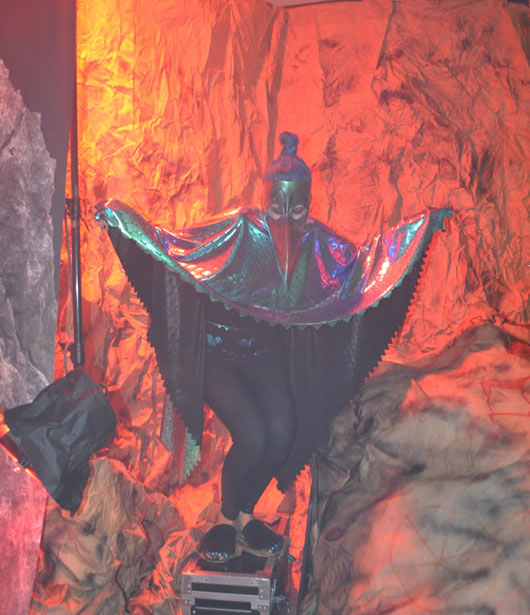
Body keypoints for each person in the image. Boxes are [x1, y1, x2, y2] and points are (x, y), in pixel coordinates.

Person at [97, 132, 451, 562]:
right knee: (254, 435)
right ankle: (226, 519)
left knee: (282, 432)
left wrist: (421, 227)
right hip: (217, 356)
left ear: (307, 206)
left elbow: (366, 266)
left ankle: (245, 516)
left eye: (297, 210)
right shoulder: (240, 229)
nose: (285, 220)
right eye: (276, 209)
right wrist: (120, 219)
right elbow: (177, 248)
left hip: (262, 356)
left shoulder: (315, 241)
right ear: (265, 201)